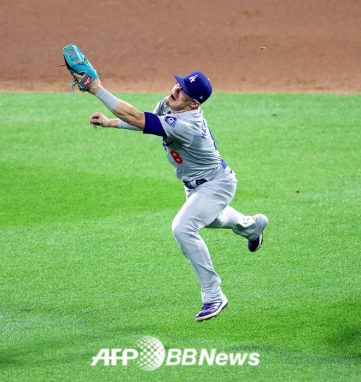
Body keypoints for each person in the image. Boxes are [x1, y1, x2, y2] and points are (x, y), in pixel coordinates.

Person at [78, 71, 268, 322]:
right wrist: (111, 122)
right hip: (195, 186)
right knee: (214, 219)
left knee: (183, 228)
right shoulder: (170, 104)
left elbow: (136, 117)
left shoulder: (188, 124)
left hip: (217, 184)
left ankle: (214, 294)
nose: (175, 90)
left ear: (194, 104)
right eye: (178, 84)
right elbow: (142, 121)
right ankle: (251, 226)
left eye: (182, 92)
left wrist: (98, 90)